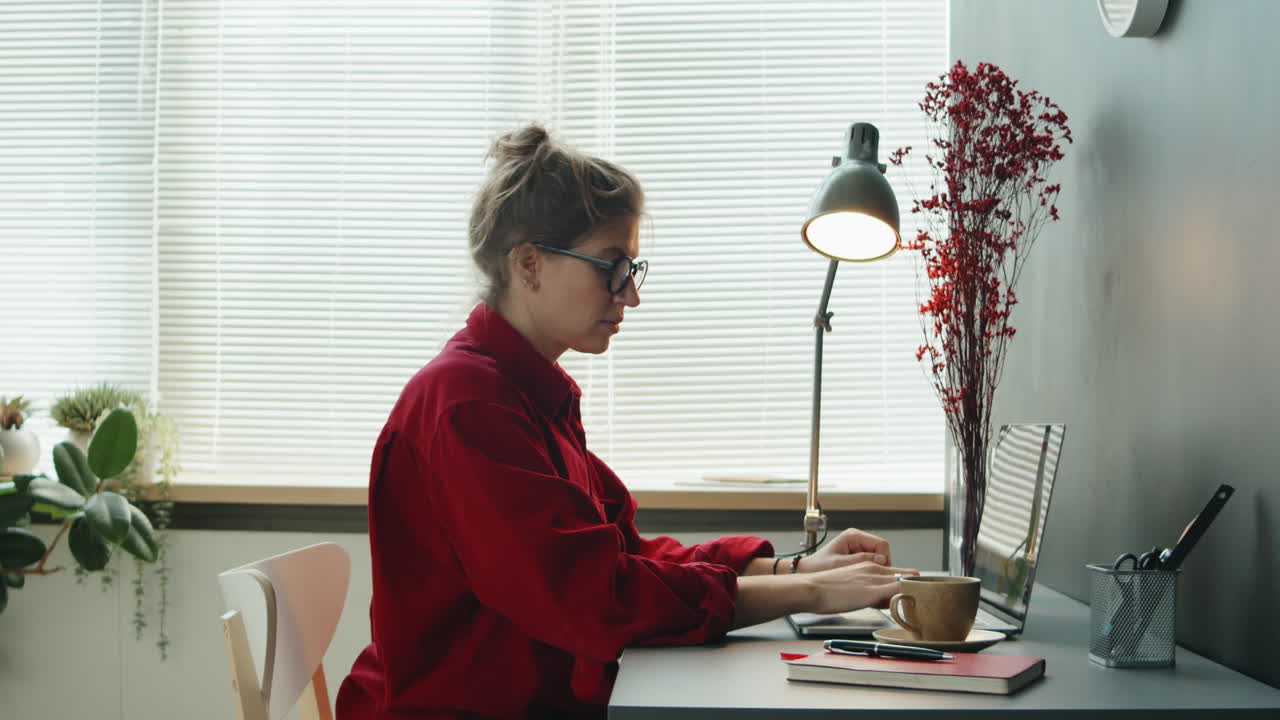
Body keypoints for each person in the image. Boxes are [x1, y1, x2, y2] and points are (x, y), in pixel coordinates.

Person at [336, 123, 917, 719]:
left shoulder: (524, 392)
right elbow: (596, 599)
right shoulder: (468, 405)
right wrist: (810, 592)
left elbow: (625, 558)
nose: (630, 295)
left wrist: (794, 568)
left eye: (632, 269)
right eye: (610, 267)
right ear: (530, 264)